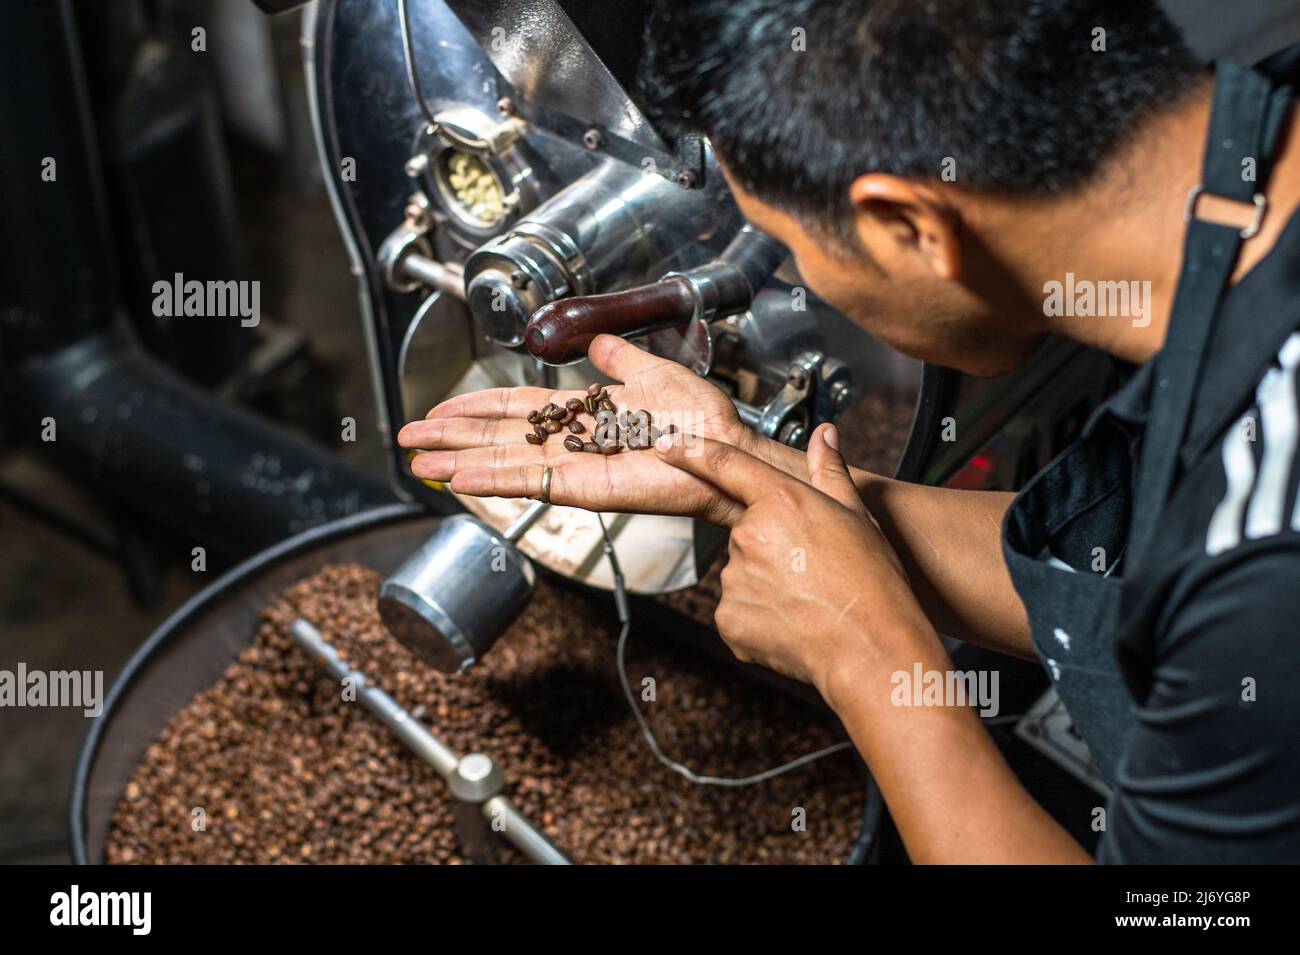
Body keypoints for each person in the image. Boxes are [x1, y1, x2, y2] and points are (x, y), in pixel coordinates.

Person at [397, 0, 1300, 862]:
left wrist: (867, 654)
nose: (817, 287)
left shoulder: (1258, 566)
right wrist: (746, 470)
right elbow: (1142, 568)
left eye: (793, 245)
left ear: (909, 226)